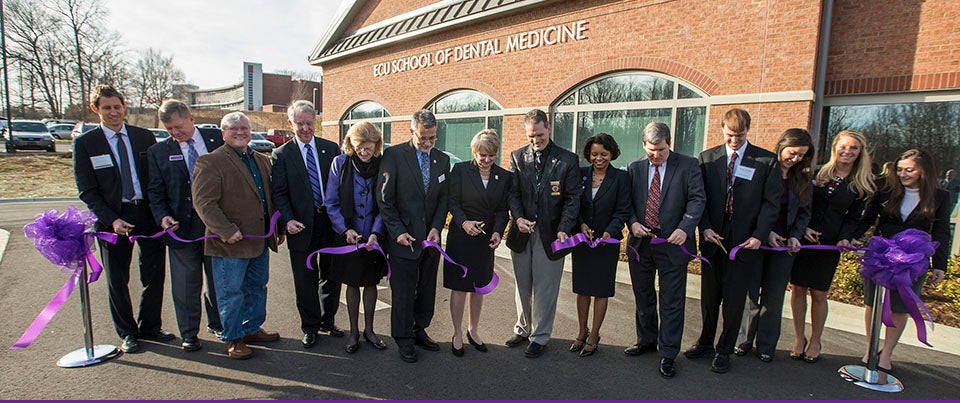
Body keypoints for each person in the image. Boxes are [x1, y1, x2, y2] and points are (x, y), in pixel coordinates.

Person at [73, 84, 171, 353]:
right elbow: (87, 190)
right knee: (118, 278)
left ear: (124, 106)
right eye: (107, 108)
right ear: (96, 110)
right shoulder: (85, 144)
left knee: (154, 274)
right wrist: (112, 219)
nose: (113, 112)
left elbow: (157, 178)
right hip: (113, 220)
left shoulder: (144, 137)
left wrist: (162, 213)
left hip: (147, 214)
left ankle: (150, 326)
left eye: (117, 106)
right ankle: (127, 332)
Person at [688, 108, 781, 374]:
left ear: (748, 131)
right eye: (729, 135)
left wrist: (758, 236)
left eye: (739, 136)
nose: (734, 141)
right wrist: (704, 228)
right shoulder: (707, 158)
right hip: (712, 239)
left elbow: (770, 205)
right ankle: (705, 341)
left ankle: (724, 349)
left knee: (734, 299)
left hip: (744, 242)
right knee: (709, 297)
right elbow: (699, 198)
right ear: (722, 130)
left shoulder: (766, 161)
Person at [192, 112, 282, 359]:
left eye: (244, 128)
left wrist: (278, 229)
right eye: (234, 128)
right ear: (223, 133)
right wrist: (227, 230)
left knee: (257, 287)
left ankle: (251, 328)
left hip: (260, 240)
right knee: (231, 292)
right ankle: (232, 338)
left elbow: (269, 199)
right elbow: (204, 203)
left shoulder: (262, 161)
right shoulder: (211, 162)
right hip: (230, 243)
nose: (240, 132)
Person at [856, 148, 951, 373]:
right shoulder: (885, 191)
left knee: (900, 306)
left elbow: (941, 231)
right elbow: (867, 219)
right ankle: (871, 348)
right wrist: (850, 237)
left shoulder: (940, 196)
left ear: (923, 171)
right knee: (872, 303)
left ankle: (886, 353)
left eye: (909, 170)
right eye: (899, 170)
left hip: (913, 261)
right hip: (880, 256)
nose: (903, 174)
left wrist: (939, 264)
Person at [625, 122, 705, 378]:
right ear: (643, 146)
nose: (656, 156)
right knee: (643, 295)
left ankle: (668, 352)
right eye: (651, 151)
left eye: (660, 150)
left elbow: (697, 199)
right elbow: (626, 202)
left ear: (669, 143)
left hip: (673, 243)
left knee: (671, 301)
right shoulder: (634, 167)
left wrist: (685, 228)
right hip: (641, 243)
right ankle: (646, 340)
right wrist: (633, 222)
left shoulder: (688, 165)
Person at [788, 130, 874, 363]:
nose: (847, 151)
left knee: (818, 293)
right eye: (843, 146)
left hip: (829, 244)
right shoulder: (817, 174)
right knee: (797, 289)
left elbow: (854, 219)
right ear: (835, 148)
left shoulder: (860, 184)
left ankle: (816, 340)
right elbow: (802, 204)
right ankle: (799, 337)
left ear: (860, 153)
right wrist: (802, 229)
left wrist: (845, 238)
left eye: (853, 148)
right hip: (804, 239)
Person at [146, 100, 224, 352]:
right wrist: (162, 217)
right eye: (169, 129)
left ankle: (220, 323)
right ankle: (189, 333)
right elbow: (155, 193)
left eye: (178, 126)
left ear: (191, 118)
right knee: (186, 283)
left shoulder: (217, 138)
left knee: (219, 280)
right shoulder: (158, 152)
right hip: (181, 229)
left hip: (216, 225)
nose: (175, 133)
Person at [375, 109, 450, 363]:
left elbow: (443, 200)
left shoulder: (442, 159)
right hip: (403, 239)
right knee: (404, 293)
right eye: (422, 138)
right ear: (411, 132)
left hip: (430, 240)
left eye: (432, 138)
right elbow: (385, 200)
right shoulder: (394, 156)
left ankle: (420, 330)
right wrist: (397, 232)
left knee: (427, 289)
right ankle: (404, 338)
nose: (427, 144)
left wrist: (437, 227)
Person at [504, 109, 581, 358]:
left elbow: (572, 199)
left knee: (546, 288)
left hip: (552, 235)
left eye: (539, 134)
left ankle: (539, 336)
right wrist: (518, 218)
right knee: (522, 285)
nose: (535, 140)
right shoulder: (517, 157)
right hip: (522, 232)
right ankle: (523, 328)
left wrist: (564, 229)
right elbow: (512, 194)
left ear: (548, 128)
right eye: (530, 136)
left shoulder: (568, 160)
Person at [734, 128, 814, 362]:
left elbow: (804, 212)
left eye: (801, 155)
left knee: (774, 295)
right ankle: (743, 341)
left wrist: (796, 235)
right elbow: (750, 205)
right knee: (751, 294)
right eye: (793, 152)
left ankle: (767, 345)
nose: (796, 159)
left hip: (784, 246)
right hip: (757, 240)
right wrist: (764, 232)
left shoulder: (803, 178)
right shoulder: (763, 167)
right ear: (782, 146)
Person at [271, 100, 344, 349]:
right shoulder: (282, 154)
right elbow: (279, 193)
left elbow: (342, 187)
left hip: (330, 223)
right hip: (301, 225)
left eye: (309, 123)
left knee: (332, 275)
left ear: (316, 123)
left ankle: (328, 320)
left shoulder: (331, 148)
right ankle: (310, 326)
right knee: (305, 279)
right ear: (291, 124)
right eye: (300, 123)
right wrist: (287, 219)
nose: (305, 128)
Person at [444, 129, 511, 357]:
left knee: (479, 287)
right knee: (460, 287)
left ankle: (473, 330)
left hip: (485, 240)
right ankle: (457, 333)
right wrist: (463, 222)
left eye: (491, 155)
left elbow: (503, 210)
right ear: (474, 152)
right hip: (461, 237)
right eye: (482, 155)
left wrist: (498, 232)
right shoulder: (460, 170)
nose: (486, 160)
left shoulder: (503, 176)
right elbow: (452, 202)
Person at [323, 121, 389, 353]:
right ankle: (353, 332)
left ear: (376, 145)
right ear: (351, 144)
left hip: (374, 237)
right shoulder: (339, 164)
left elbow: (385, 204)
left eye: (369, 147)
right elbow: (331, 202)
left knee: (371, 282)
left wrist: (375, 233)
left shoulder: (383, 165)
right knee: (351, 283)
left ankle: (369, 330)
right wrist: (344, 229)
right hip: (348, 236)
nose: (364, 151)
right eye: (360, 146)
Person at [569, 133, 630, 358]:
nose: (598, 158)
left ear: (612, 153)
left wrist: (609, 232)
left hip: (606, 243)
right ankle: (581, 332)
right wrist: (581, 225)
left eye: (603, 154)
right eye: (594, 154)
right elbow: (573, 204)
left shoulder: (621, 178)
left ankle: (594, 334)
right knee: (582, 289)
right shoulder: (581, 174)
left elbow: (622, 210)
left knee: (601, 290)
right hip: (583, 242)